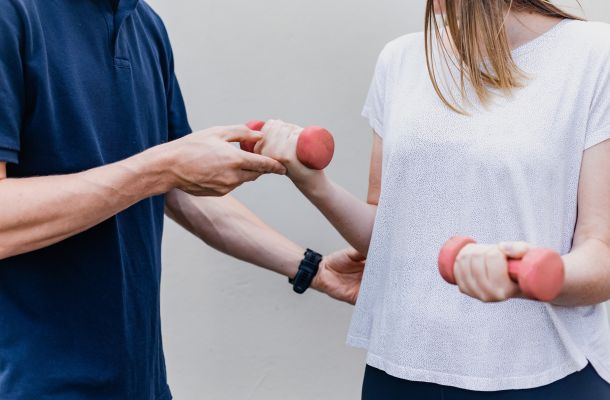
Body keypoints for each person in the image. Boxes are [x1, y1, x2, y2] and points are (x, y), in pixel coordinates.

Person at [0, 1, 364, 399]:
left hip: (143, 386)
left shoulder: (145, 25)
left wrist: (314, 270)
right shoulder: (12, 14)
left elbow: (176, 188)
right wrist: (161, 168)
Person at [255, 0, 610, 398]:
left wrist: (525, 277)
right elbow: (388, 236)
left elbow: (601, 253)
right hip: (398, 371)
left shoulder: (594, 54)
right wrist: (312, 183)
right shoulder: (399, 59)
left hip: (545, 376)